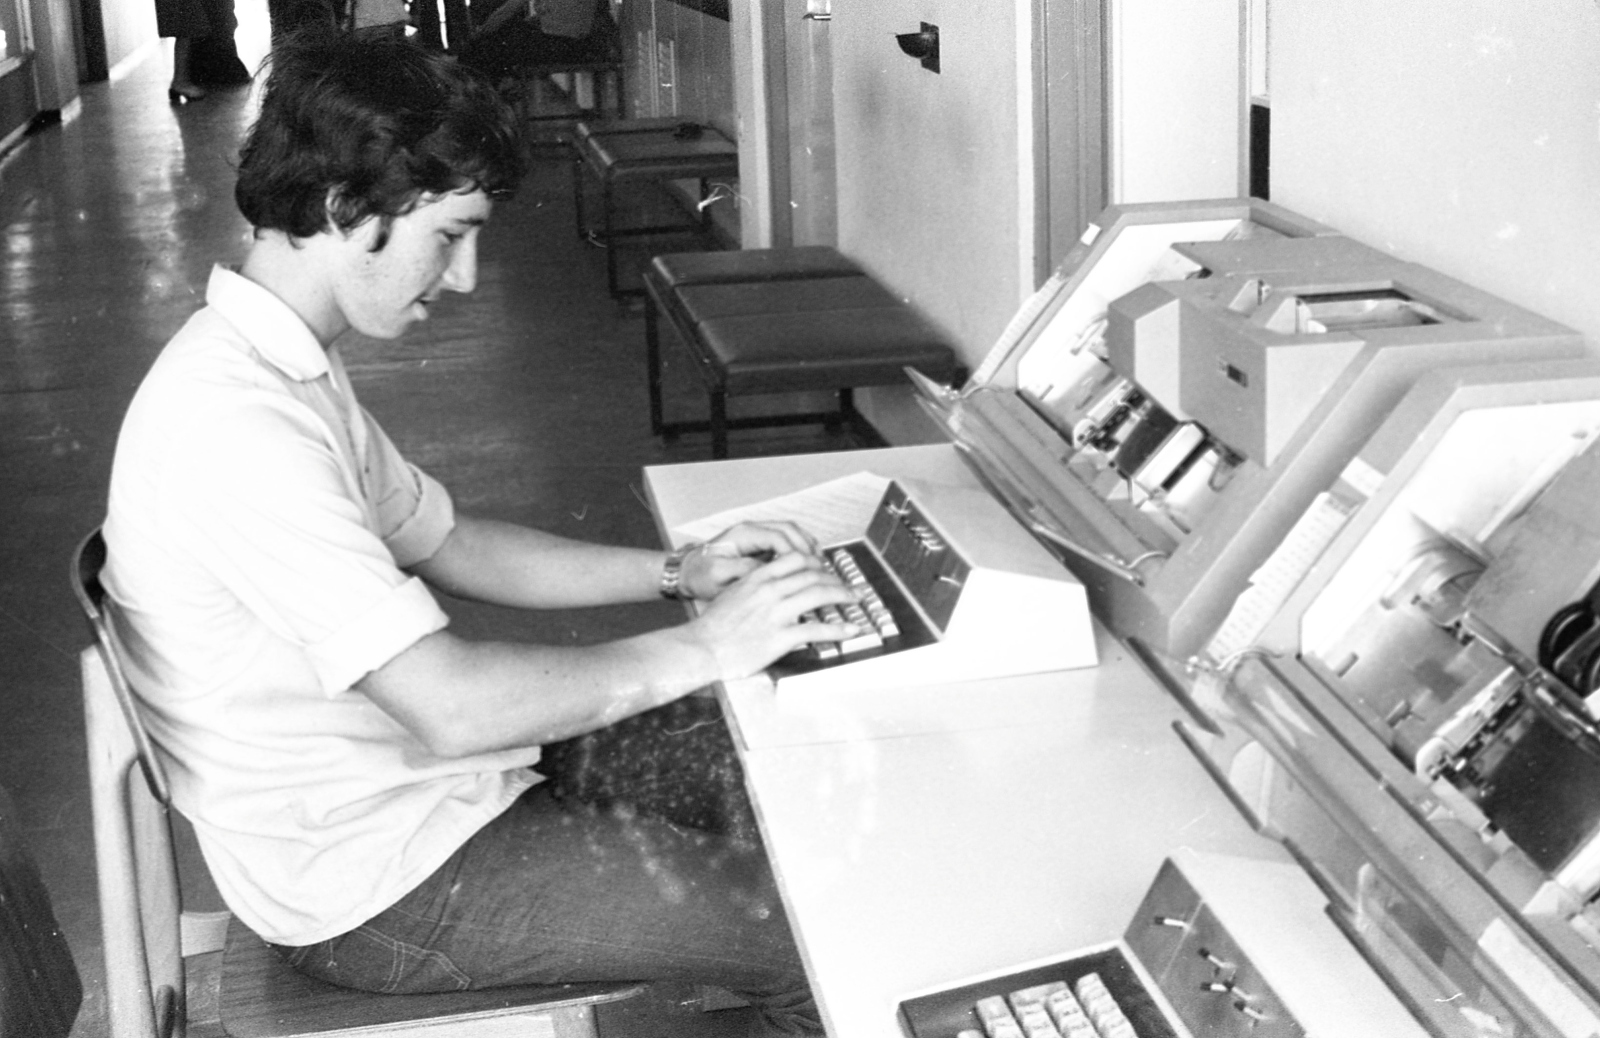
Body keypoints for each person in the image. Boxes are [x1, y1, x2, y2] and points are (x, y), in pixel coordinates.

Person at [100, 28, 860, 1035]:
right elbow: (451, 707)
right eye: (449, 234)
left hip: (434, 796)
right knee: (817, 930)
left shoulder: (274, 365)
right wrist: (711, 645)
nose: (462, 278)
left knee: (771, 753)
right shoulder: (234, 427)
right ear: (343, 209)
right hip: (380, 886)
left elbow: (454, 544)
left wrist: (683, 571)